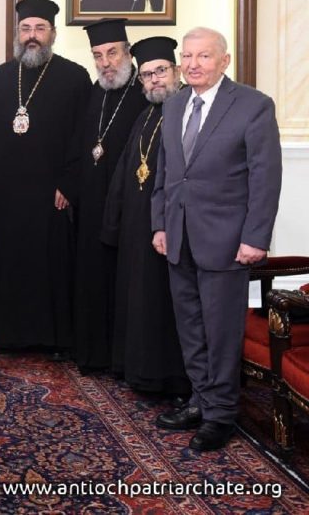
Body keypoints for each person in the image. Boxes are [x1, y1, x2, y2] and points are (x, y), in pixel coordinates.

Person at [152, 27, 282, 451]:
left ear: (224, 61)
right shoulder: (173, 107)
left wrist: (255, 237)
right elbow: (165, 175)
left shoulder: (253, 106)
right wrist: (160, 225)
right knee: (190, 328)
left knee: (221, 330)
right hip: (179, 239)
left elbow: (266, 178)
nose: (193, 64)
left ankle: (221, 415)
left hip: (228, 243)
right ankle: (200, 400)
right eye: (187, 57)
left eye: (203, 56)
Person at [0, 0, 90, 358]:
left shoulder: (74, 77)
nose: (32, 36)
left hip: (51, 196)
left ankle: (55, 338)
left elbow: (83, 138)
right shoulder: (1, 76)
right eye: (26, 29)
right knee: (9, 264)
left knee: (52, 267)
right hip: (8, 196)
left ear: (52, 33)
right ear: (17, 34)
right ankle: (9, 334)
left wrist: (69, 185)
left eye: (40, 29)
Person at [102, 36, 190, 401]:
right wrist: (114, 221)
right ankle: (138, 370)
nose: (154, 80)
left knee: (164, 304)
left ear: (177, 71)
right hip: (139, 227)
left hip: (172, 226)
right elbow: (126, 171)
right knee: (138, 299)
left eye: (161, 72)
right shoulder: (146, 114)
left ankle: (167, 376)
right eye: (147, 75)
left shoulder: (188, 111)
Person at [72, 18, 147, 374]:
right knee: (93, 276)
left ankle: (123, 358)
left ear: (127, 53)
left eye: (112, 53)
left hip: (129, 203)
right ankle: (93, 353)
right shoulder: (95, 91)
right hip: (92, 201)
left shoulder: (144, 92)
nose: (106, 63)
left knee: (124, 280)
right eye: (98, 55)